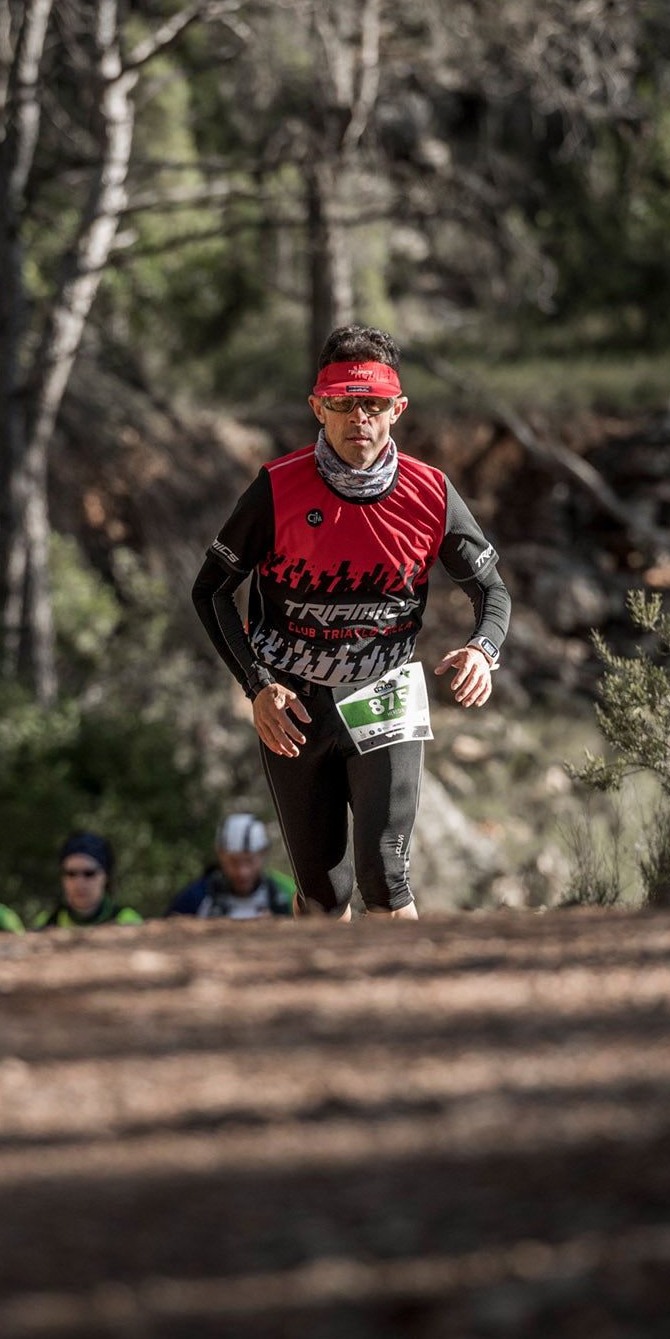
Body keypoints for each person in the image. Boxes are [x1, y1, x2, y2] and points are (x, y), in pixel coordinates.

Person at [190, 325, 510, 920]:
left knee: (386, 880)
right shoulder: (277, 489)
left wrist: (483, 649)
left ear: (397, 409)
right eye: (342, 402)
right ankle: (323, 1011)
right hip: (294, 706)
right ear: (318, 406)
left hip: (386, 691)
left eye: (373, 403)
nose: (358, 417)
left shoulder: (432, 492)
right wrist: (256, 686)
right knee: (322, 895)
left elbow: (490, 589)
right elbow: (210, 591)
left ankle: (413, 1011)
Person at [168, 812, 298, 919]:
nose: (242, 872)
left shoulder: (287, 893)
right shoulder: (195, 897)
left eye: (249, 861)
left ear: (263, 854)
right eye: (233, 862)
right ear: (220, 855)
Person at [35, 830, 142, 928]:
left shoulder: (128, 921)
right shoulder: (46, 922)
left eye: (89, 873)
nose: (79, 882)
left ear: (105, 877)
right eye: (71, 873)